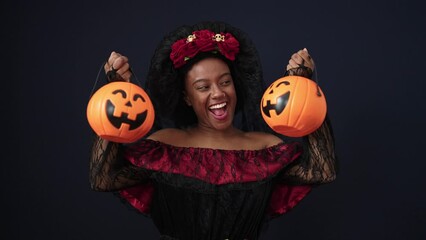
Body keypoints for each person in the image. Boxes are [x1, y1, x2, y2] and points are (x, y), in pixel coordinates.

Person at [89, 21, 337, 240]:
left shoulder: (266, 147)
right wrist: (117, 91)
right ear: (186, 97)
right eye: (202, 87)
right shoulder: (164, 145)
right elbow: (103, 178)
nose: (218, 93)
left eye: (225, 82)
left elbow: (322, 170)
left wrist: (300, 87)